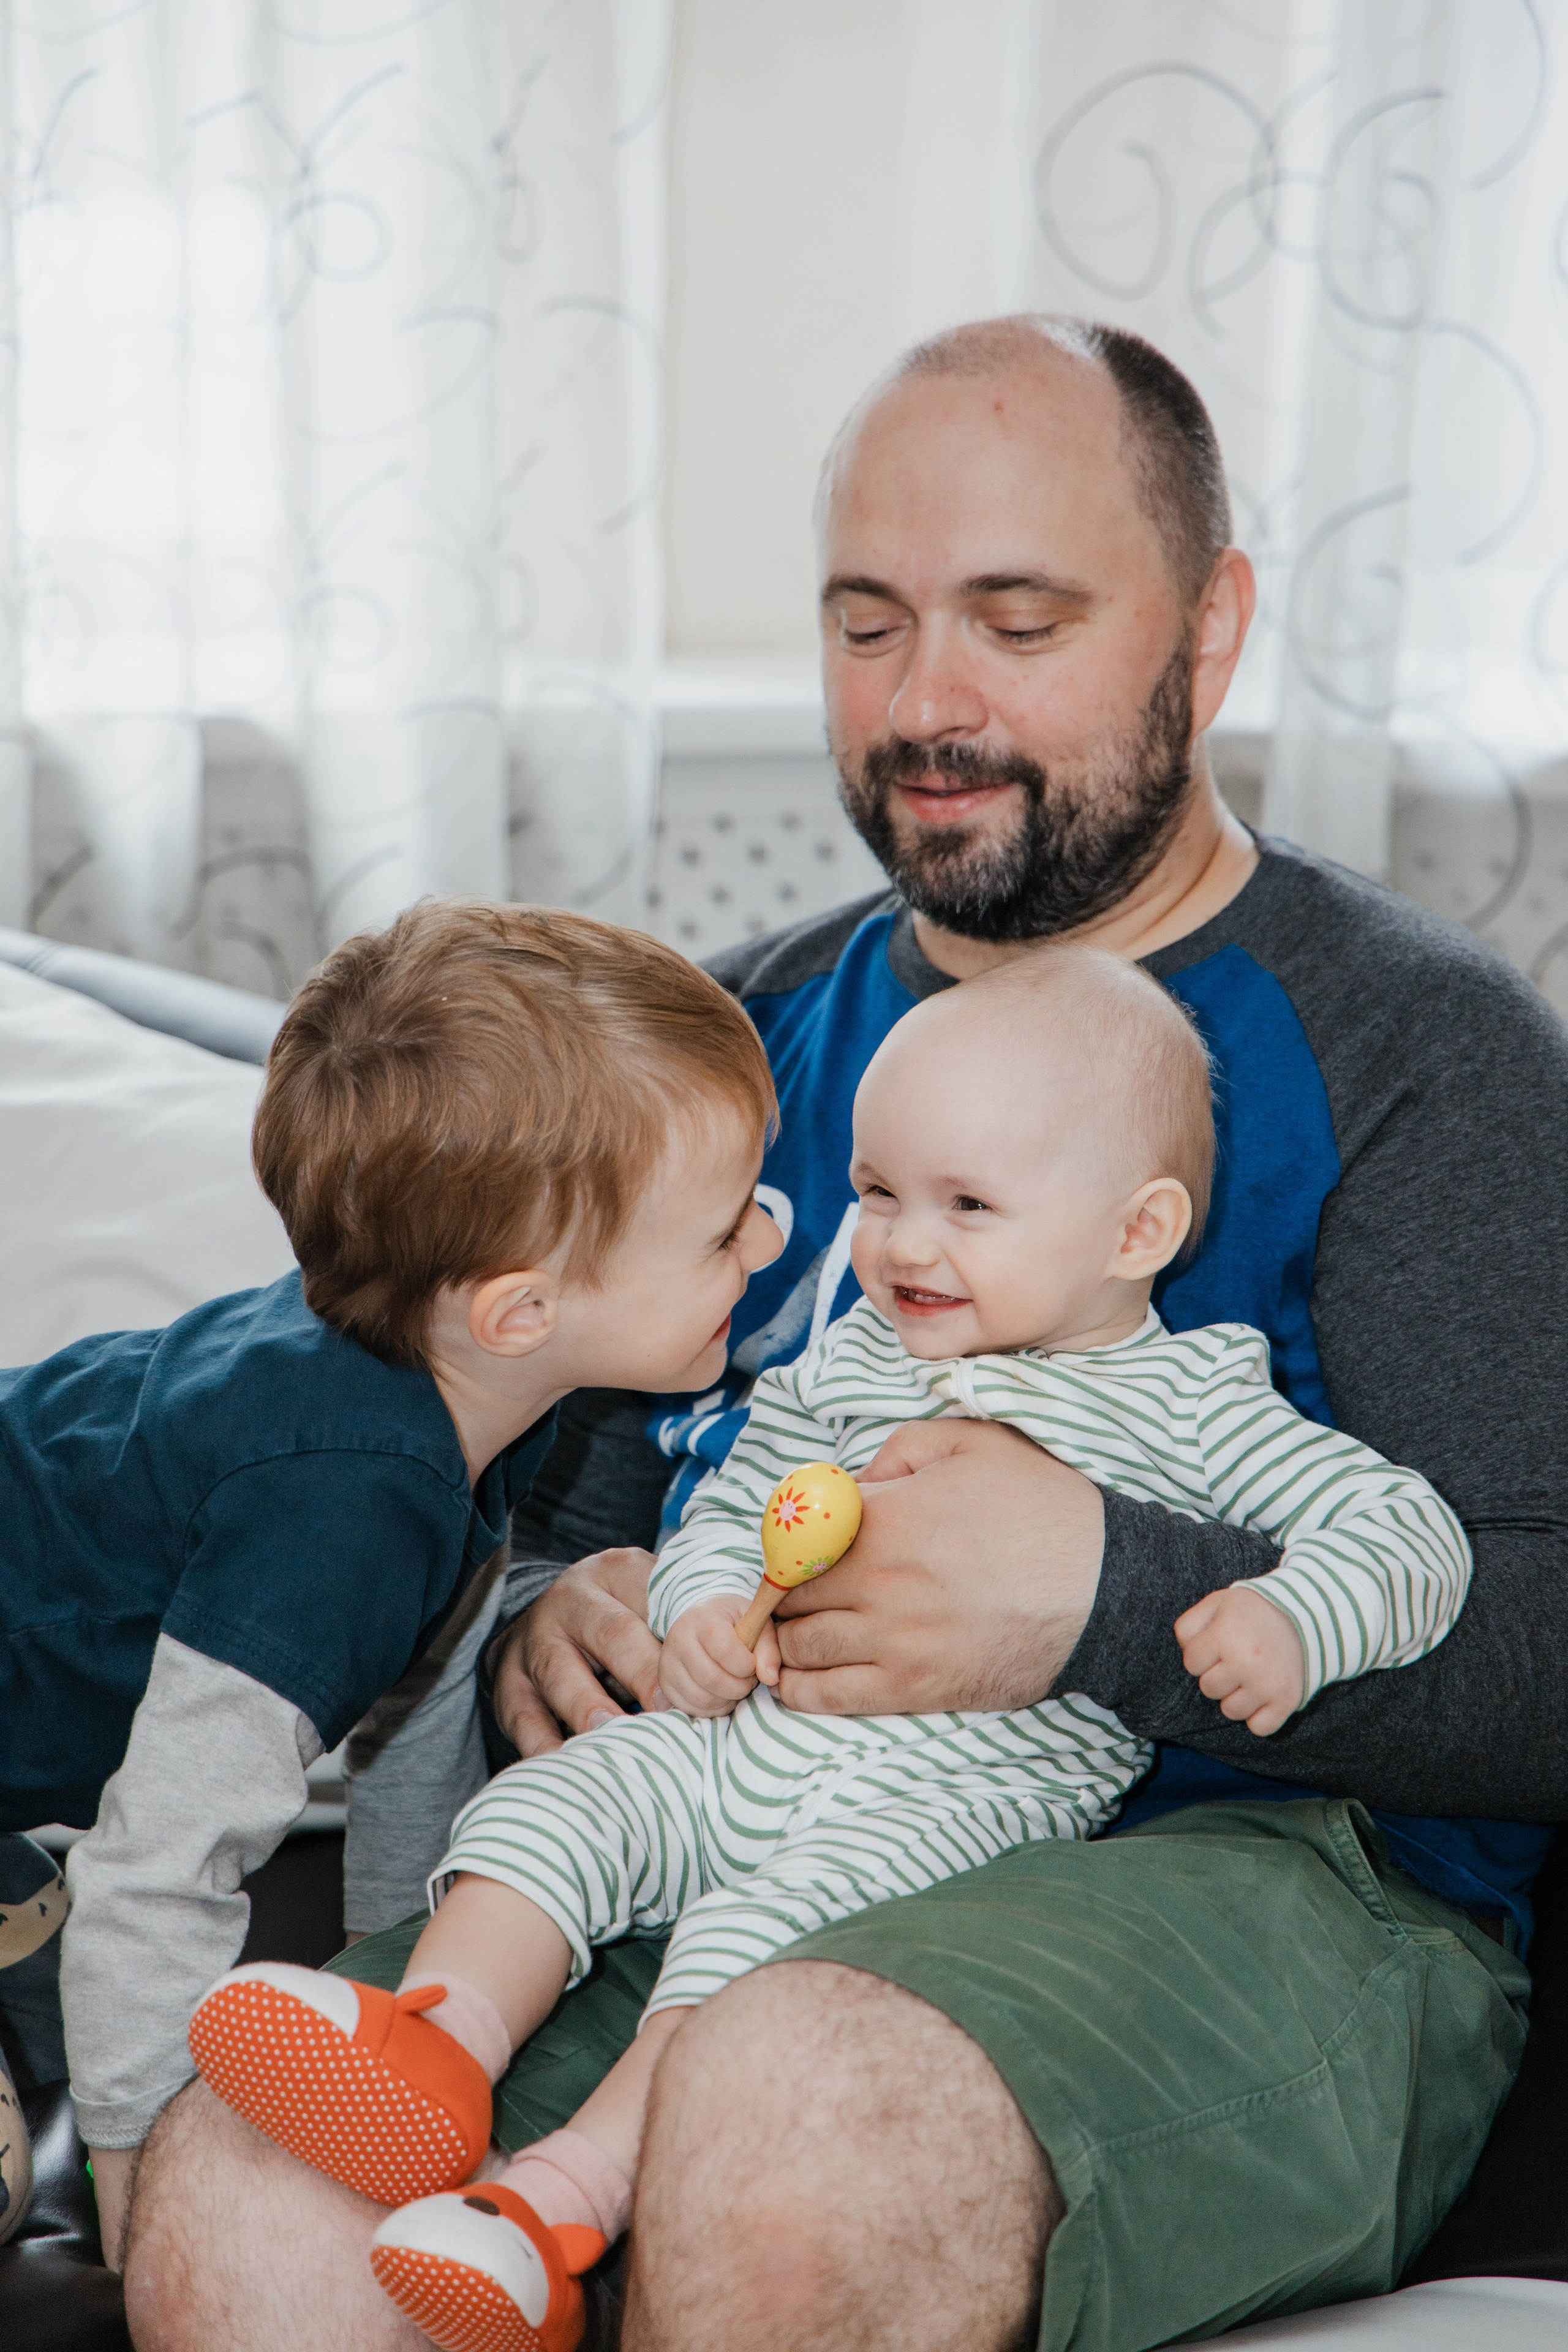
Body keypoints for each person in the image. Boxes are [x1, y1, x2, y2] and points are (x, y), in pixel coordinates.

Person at [126, 317, 1568, 2352]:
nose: (929, 701)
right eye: (868, 623)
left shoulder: (1422, 1050)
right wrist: (566, 1611)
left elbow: (1544, 1638)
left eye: (1018, 619)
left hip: (1265, 1874)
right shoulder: (716, 1045)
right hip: (734, 1804)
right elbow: (552, 1502)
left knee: (790, 2117)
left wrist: (1100, 1596)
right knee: (244, 2196)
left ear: (1210, 630)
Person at [183, 947, 1477, 2352]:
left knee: (752, 1967)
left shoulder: (1191, 1401)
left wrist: (1288, 1619)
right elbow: (736, 1493)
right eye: (875, 1194)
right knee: (554, 1807)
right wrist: (690, 1609)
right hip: (742, 1737)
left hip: (943, 1806)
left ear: (1135, 1231)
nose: (900, 1247)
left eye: (966, 1206)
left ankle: (552, 2202)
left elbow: (1402, 1530)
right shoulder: (855, 1355)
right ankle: (443, 2036)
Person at [0, 896, 780, 2266]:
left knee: (71, 1988)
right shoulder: (336, 1503)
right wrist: (142, 2221)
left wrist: (399, 1997)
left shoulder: (478, 1396)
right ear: (522, 1308)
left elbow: (413, 1703)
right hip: (95, 1840)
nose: (768, 1242)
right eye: (723, 1233)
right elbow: (166, 1865)